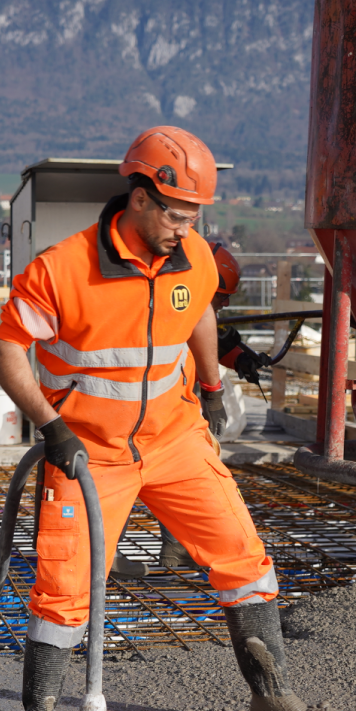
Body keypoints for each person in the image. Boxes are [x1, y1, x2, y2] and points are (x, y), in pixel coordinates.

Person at [0, 126, 344, 711]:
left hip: (175, 441)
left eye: (195, 215)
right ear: (141, 198)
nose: (186, 228)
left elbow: (199, 310)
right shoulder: (64, 269)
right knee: (66, 586)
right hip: (90, 451)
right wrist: (51, 427)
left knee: (243, 558)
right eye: (177, 214)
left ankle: (271, 697)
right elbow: (6, 349)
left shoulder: (195, 256)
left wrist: (210, 388)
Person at [111, 241, 268, 576]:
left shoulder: (185, 300)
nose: (224, 303)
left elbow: (210, 335)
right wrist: (213, 393)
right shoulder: (159, 301)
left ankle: (176, 550)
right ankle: (107, 552)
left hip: (173, 407)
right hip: (140, 408)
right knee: (124, 474)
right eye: (221, 295)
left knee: (179, 475)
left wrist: (239, 356)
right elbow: (194, 331)